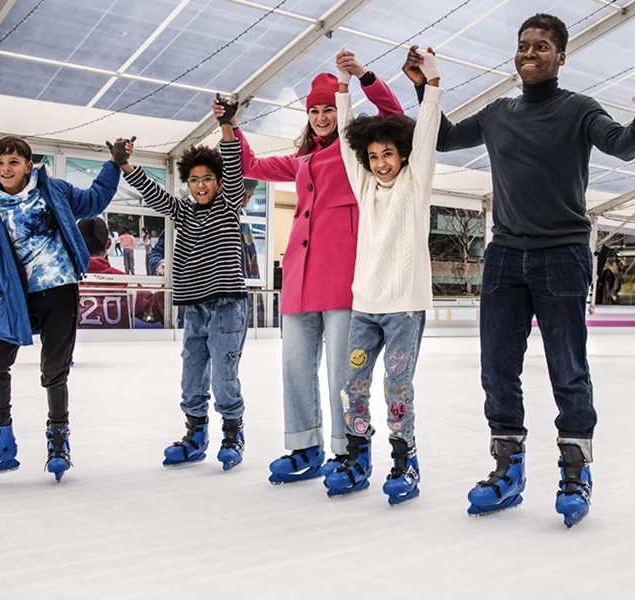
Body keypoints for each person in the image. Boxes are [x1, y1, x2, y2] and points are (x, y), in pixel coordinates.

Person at [405, 14, 635, 521]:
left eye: (542, 46)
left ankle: (575, 472)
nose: (530, 53)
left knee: (568, 368)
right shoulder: (499, 112)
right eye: (523, 46)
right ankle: (507, 468)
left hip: (562, 253)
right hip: (504, 255)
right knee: (497, 367)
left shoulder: (579, 109)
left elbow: (622, 146)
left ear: (562, 56)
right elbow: (445, 137)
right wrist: (425, 87)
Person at [216, 52, 404, 484]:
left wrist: (363, 78)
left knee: (343, 373)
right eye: (314, 111)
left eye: (327, 108)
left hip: (342, 279)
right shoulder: (301, 160)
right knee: (296, 369)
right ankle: (305, 446)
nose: (321, 117)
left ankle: (349, 452)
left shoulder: (358, 150)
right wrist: (230, 126)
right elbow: (248, 166)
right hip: (298, 281)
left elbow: (393, 116)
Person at [0, 135, 121, 482]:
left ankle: (58, 442)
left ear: (29, 166)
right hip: (17, 299)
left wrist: (114, 164)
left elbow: (93, 201)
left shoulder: (53, 191)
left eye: (14, 162)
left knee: (54, 372)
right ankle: (0, 444)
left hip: (59, 291)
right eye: (0, 163)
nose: (6, 168)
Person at [320, 48, 442, 505]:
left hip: (404, 308)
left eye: (388, 154)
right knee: (350, 385)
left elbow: (427, 136)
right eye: (373, 156)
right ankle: (356, 455)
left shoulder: (415, 183)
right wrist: (344, 88)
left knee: (397, 387)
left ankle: (403, 459)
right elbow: (347, 147)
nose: (379, 163)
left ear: (402, 154)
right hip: (365, 307)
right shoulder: (365, 183)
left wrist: (432, 87)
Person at [119, 105, 249, 471]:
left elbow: (234, 165)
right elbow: (153, 192)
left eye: (208, 178)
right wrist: (126, 166)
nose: (201, 185)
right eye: (194, 180)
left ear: (219, 183)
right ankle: (195, 435)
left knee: (224, 378)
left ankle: (232, 433)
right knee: (191, 374)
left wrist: (225, 125)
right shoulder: (183, 211)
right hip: (195, 307)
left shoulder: (227, 205)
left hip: (227, 305)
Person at [77, 217, 163, 329]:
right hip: (118, 345)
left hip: (76, 346)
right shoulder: (125, 282)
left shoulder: (62, 283)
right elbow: (152, 313)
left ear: (75, 244)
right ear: (108, 243)